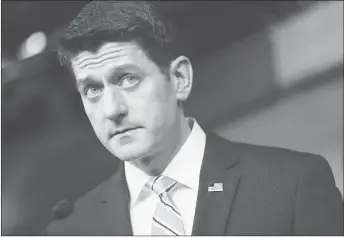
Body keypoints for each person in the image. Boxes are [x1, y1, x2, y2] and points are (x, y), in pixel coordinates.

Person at [43, 1, 343, 235]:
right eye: (92, 89)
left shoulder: (291, 186)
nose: (112, 109)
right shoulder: (67, 230)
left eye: (127, 79)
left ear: (179, 79)